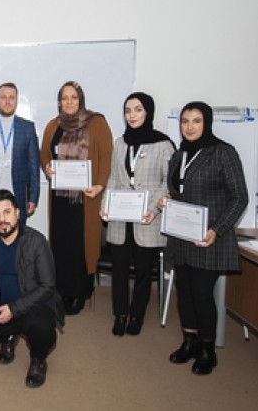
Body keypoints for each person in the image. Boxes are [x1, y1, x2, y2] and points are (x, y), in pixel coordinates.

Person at [161, 102, 247, 375]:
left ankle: (207, 349)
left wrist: (217, 229)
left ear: (206, 123)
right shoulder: (179, 155)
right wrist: (167, 201)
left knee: (201, 293)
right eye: (185, 121)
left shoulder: (223, 153)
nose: (189, 127)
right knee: (184, 292)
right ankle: (190, 341)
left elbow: (239, 197)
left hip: (208, 238)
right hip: (181, 236)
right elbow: (179, 191)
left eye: (196, 121)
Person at [0, 189, 64, 388]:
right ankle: (9, 336)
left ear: (17, 213)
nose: (2, 219)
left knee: (42, 329)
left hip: (31, 306)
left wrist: (14, 309)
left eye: (7, 212)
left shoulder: (36, 241)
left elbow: (47, 287)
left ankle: (38, 359)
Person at [99, 92, 174, 336]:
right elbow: (113, 178)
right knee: (119, 270)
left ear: (148, 112)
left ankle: (137, 314)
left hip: (147, 219)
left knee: (143, 272)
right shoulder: (121, 143)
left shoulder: (163, 144)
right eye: (128, 110)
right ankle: (120, 314)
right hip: (121, 218)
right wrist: (105, 204)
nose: (132, 115)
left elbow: (168, 182)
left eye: (138, 110)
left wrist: (153, 209)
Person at [41, 81, 112, 315]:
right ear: (59, 102)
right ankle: (62, 290)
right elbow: (44, 154)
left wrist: (99, 185)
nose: (69, 102)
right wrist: (48, 168)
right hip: (60, 198)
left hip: (85, 198)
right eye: (64, 98)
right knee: (61, 244)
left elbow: (106, 156)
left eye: (73, 97)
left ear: (81, 100)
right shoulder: (53, 125)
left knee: (81, 245)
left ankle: (80, 292)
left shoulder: (97, 123)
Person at [0, 82, 41, 227]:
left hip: (18, 195)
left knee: (18, 237)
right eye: (3, 97)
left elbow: (34, 167)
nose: (7, 101)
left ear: (17, 100)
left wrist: (33, 198)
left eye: (11, 97)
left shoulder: (28, 128)